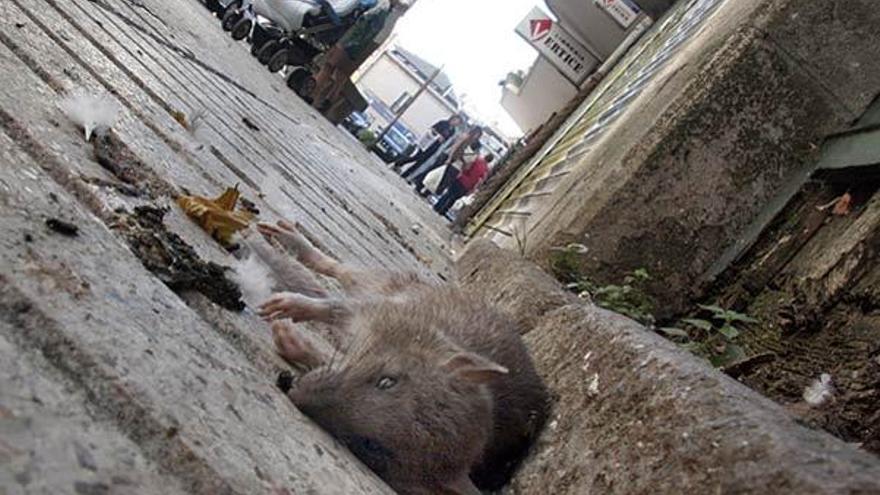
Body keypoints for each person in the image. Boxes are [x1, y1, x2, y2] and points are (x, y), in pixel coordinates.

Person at [312, 0, 399, 111]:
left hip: (359, 34)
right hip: (367, 36)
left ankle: (313, 93)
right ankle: (326, 99)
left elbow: (366, 22)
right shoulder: (386, 10)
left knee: (331, 64)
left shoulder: (382, 8)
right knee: (341, 72)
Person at [410, 125, 483, 196]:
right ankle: (419, 184)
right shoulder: (465, 137)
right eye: (477, 134)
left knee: (442, 177)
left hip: (454, 160)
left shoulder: (471, 142)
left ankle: (427, 191)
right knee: (434, 170)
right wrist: (449, 158)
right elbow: (455, 147)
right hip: (448, 155)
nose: (476, 136)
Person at [395, 115, 462, 174]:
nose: (456, 123)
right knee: (417, 157)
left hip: (436, 146)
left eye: (458, 123)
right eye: (456, 121)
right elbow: (432, 128)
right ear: (452, 119)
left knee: (421, 161)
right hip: (429, 142)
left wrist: (442, 140)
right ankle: (399, 162)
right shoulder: (443, 123)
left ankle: (407, 174)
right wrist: (438, 135)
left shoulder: (452, 131)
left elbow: (446, 139)